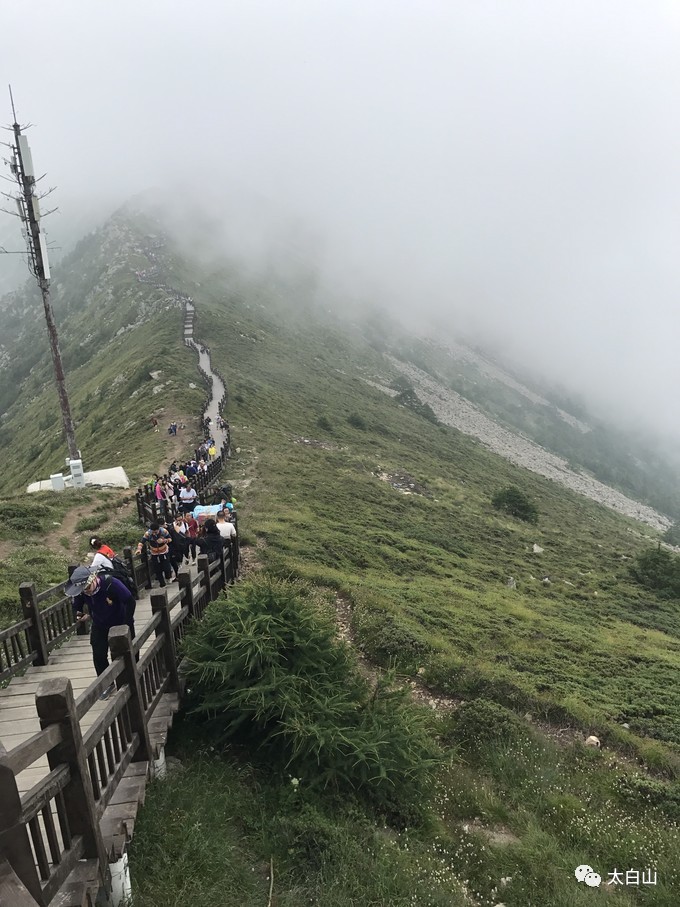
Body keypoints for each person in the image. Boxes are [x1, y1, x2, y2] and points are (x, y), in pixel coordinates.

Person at [66, 566, 135, 699]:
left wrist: (126, 625)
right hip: (99, 623)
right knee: (98, 654)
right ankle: (107, 684)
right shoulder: (82, 592)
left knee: (125, 652)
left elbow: (130, 601)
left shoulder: (111, 584)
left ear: (93, 579)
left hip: (120, 621)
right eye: (83, 590)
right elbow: (77, 605)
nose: (86, 592)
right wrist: (79, 614)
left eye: (87, 588)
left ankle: (129, 679)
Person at [136, 522, 174, 587]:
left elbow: (170, 539)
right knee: (157, 569)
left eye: (155, 532)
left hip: (164, 551)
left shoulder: (164, 531)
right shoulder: (148, 534)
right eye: (153, 532)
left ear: (158, 529)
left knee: (166, 567)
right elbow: (142, 542)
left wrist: (164, 541)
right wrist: (139, 549)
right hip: (154, 553)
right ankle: (162, 583)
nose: (154, 533)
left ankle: (168, 576)